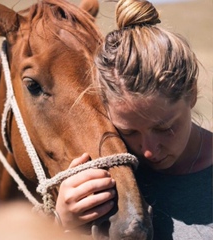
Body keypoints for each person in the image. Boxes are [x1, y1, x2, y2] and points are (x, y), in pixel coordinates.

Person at [55, 0, 213, 239]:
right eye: (129, 133)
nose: (148, 152)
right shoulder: (103, 177)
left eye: (165, 128)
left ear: (191, 93)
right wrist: (63, 223)